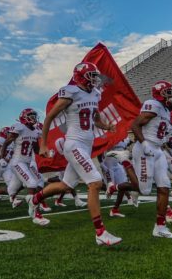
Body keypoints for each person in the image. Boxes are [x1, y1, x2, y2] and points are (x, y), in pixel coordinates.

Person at [27, 62, 122, 246]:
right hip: (74, 144)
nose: (95, 79)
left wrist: (107, 126)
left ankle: (35, 199)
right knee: (95, 182)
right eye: (91, 76)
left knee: (65, 185)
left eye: (95, 76)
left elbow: (94, 119)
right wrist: (44, 144)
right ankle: (100, 233)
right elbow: (49, 117)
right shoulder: (71, 92)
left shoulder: (95, 93)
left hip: (86, 145)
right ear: (81, 76)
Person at [1, 108, 47, 214]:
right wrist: (3, 157)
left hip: (27, 162)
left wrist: (46, 153)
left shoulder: (35, 131)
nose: (34, 118)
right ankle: (33, 209)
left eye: (34, 116)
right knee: (32, 184)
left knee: (13, 188)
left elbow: (36, 149)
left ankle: (12, 198)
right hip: (17, 161)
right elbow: (6, 143)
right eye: (31, 116)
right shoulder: (19, 127)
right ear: (24, 117)